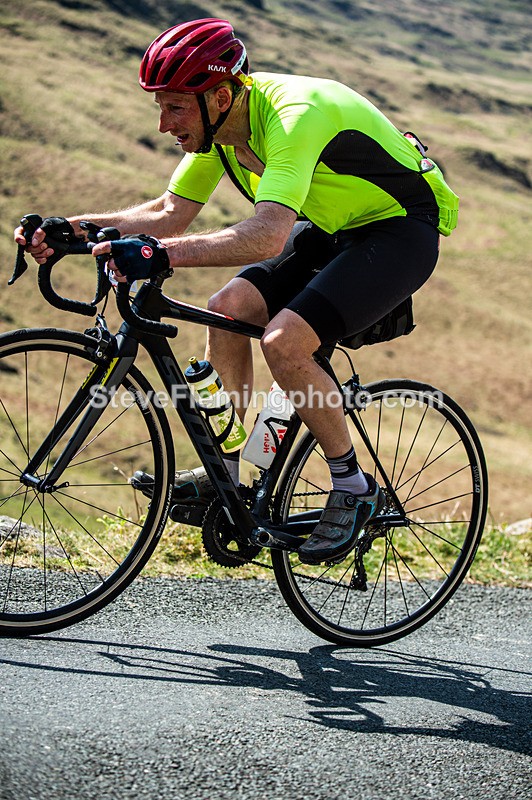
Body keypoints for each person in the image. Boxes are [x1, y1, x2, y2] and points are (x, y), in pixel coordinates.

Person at [14, 18, 459, 565]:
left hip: (400, 229)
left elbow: (267, 235)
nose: (163, 124)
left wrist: (159, 254)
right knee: (226, 309)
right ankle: (225, 476)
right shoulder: (219, 128)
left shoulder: (294, 117)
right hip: (334, 226)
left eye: (174, 108)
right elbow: (167, 214)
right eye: (161, 107)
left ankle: (353, 485)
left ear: (220, 95)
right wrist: (72, 231)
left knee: (284, 343)